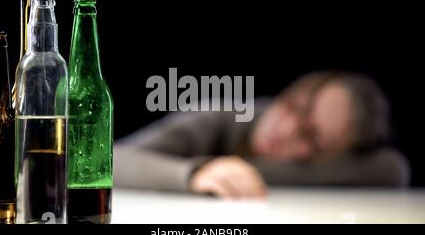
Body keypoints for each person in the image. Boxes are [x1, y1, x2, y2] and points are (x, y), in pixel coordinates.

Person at [113, 71, 410, 198]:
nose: (285, 129)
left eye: (313, 140)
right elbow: (106, 161)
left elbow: (393, 168)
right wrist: (195, 173)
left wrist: (265, 171)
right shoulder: (222, 116)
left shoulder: (347, 163)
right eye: (295, 106)